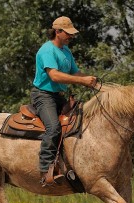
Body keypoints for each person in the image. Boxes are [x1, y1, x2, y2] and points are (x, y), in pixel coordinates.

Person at [31, 16, 98, 186]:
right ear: (57, 32)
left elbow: (75, 73)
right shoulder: (47, 50)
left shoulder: (66, 51)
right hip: (43, 95)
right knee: (53, 128)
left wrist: (93, 82)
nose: (71, 37)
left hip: (59, 97)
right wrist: (82, 81)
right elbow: (54, 75)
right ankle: (45, 171)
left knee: (82, 122)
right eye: (68, 34)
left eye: (72, 34)